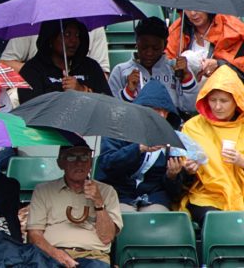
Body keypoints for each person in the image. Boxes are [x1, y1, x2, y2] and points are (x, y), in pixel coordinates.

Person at [96, 81, 194, 212]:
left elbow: (175, 192)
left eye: (164, 112)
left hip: (154, 197)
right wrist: (139, 148)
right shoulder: (116, 131)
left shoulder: (173, 140)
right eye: (154, 110)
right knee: (124, 216)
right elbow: (107, 164)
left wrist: (172, 176)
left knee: (156, 216)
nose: (160, 116)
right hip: (120, 193)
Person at [27, 142, 123, 268]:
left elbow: (107, 237)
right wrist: (56, 254)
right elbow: (34, 235)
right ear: (60, 163)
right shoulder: (43, 190)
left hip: (93, 257)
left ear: (91, 163)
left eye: (84, 157)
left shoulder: (107, 191)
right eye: (71, 157)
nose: (79, 163)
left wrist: (99, 202)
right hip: (51, 256)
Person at [0, 0, 110, 74]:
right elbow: (6, 64)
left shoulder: (95, 24)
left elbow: (103, 75)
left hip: (80, 90)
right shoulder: (32, 19)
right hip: (37, 90)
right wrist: (43, 75)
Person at [179, 65, 244, 226]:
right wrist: (187, 169)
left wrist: (241, 161)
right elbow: (181, 172)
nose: (217, 106)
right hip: (207, 196)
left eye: (224, 101)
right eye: (213, 100)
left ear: (236, 100)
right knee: (217, 221)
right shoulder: (193, 127)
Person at [109, 17, 199, 114]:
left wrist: (186, 77)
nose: (149, 53)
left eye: (155, 48)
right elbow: (113, 112)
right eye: (144, 47)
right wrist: (128, 92)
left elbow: (191, 107)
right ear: (136, 43)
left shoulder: (177, 68)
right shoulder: (120, 71)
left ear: (165, 45)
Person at [18, 18, 111, 103]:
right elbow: (30, 109)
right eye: (67, 34)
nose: (73, 40)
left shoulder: (91, 67)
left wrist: (83, 91)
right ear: (51, 38)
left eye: (77, 35)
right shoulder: (32, 70)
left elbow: (109, 104)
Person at [165, 10, 244, 76]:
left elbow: (241, 64)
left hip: (222, 87)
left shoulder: (232, 29)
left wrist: (219, 64)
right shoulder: (178, 28)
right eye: (188, 8)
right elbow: (165, 62)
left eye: (197, 7)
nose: (193, 13)